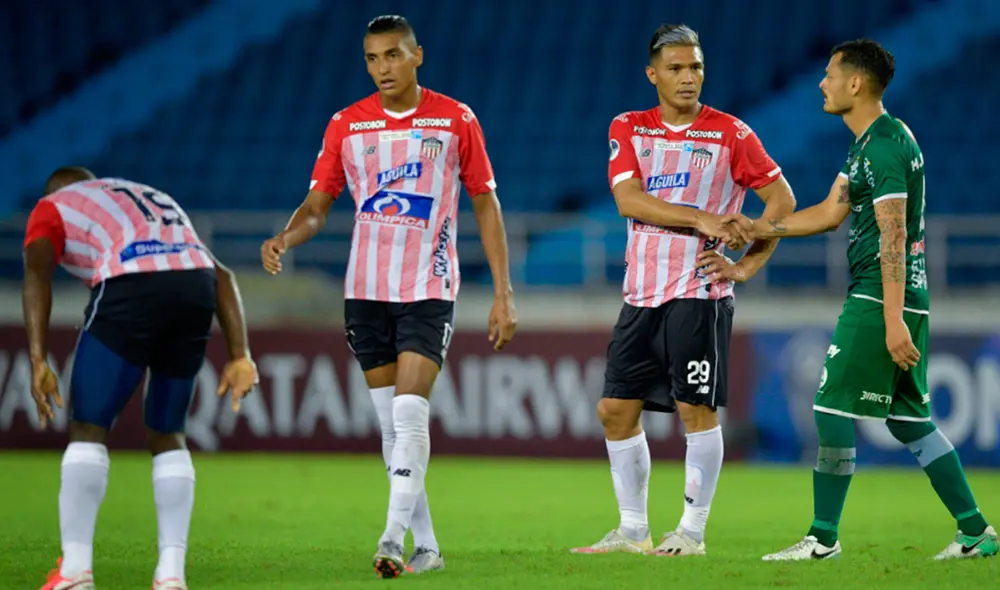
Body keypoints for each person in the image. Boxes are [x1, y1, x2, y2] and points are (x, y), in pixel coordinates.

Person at [260, 15, 518, 578]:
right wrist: (287, 235)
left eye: (394, 56)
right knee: (390, 428)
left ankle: (391, 539)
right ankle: (428, 548)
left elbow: (485, 203)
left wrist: (503, 292)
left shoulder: (455, 119)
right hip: (365, 291)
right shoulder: (346, 126)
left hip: (429, 287)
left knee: (408, 412)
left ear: (417, 55)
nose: (383, 68)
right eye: (373, 59)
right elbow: (318, 204)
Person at [742, 39, 998, 561]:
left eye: (830, 75)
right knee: (908, 421)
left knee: (829, 404)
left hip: (882, 293)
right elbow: (828, 214)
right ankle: (975, 532)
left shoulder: (883, 146)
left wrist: (890, 318)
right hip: (901, 296)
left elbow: (894, 235)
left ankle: (822, 538)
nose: (822, 83)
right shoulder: (868, 144)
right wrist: (757, 226)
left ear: (855, 83)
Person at [570, 23, 796, 557]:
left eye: (695, 67)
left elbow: (781, 204)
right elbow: (628, 200)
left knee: (696, 411)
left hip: (698, 291)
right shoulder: (629, 127)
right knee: (614, 410)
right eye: (675, 68)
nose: (688, 77)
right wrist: (703, 219)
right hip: (641, 291)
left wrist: (744, 267)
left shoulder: (731, 134)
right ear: (653, 75)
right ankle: (632, 530)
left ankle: (691, 532)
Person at [25, 167, 260, 590]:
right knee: (168, 431)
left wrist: (38, 359)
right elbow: (222, 274)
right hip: (195, 286)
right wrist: (240, 355)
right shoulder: (153, 196)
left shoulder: (53, 205)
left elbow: (37, 273)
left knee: (87, 427)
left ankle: (75, 571)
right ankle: (171, 575)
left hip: (130, 282)